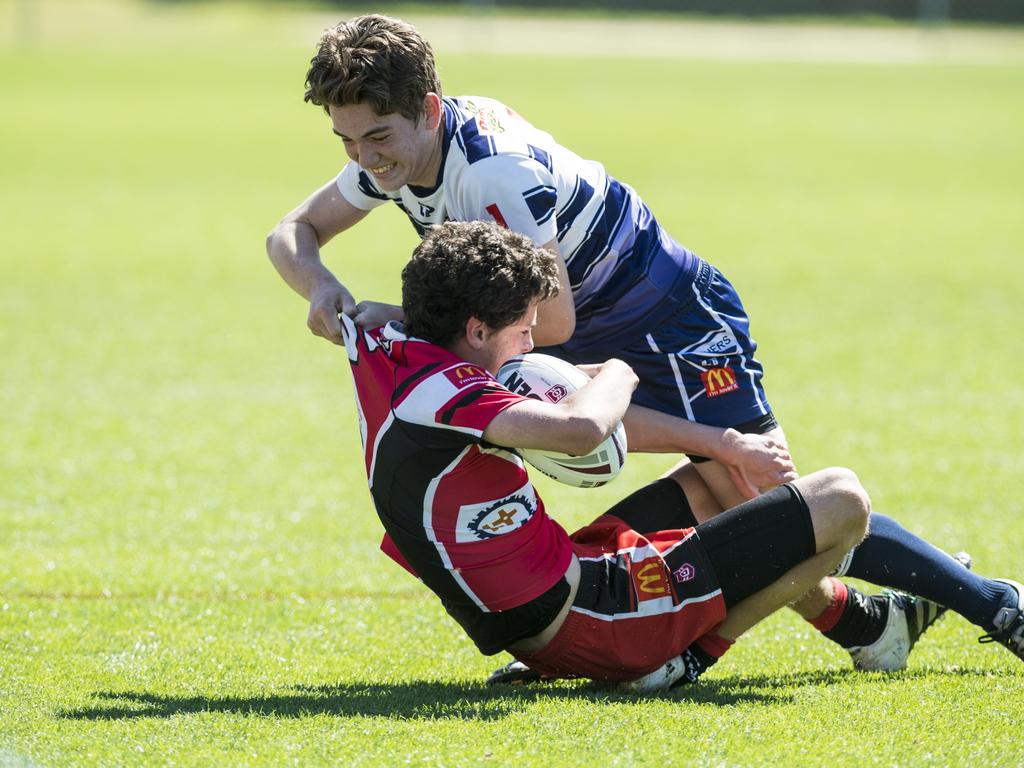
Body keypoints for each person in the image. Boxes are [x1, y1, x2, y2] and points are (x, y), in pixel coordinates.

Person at [264, 14, 1018, 673]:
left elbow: (548, 326)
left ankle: (995, 606)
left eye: (376, 138)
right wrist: (322, 288)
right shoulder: (400, 153)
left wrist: (403, 319)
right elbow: (291, 233)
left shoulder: (490, 174)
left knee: (756, 493)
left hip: (667, 315)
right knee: (741, 498)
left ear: (428, 109)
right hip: (583, 322)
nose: (364, 159)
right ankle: (866, 625)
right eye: (347, 140)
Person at [337, 221, 1024, 688]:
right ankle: (686, 658)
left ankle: (868, 626)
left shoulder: (391, 348)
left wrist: (720, 442)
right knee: (843, 499)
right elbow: (581, 432)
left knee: (714, 478)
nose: (530, 348)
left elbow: (319, 297)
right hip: (595, 622)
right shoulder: (449, 395)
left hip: (550, 593)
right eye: (523, 333)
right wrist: (614, 370)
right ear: (476, 327)